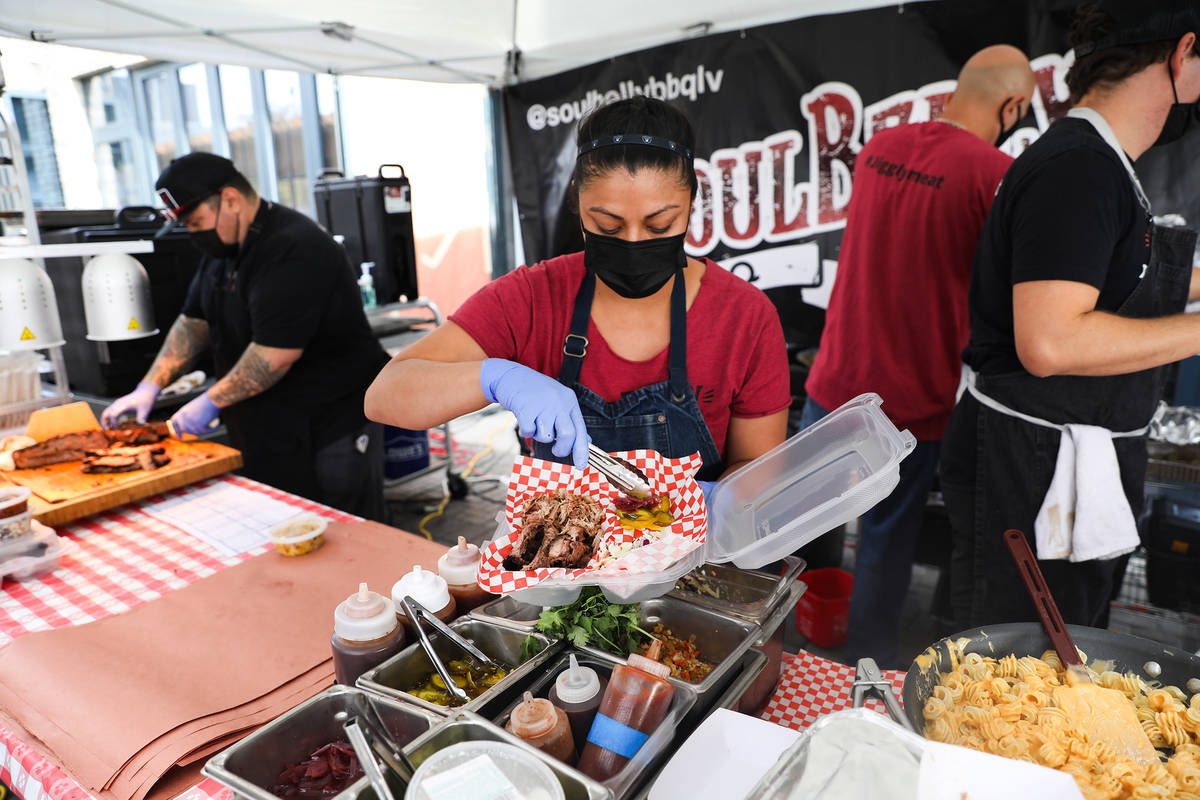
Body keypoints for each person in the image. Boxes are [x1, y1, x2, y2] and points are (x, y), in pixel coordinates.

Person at [365, 97, 790, 490]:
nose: (634, 242)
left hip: (700, 561)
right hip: (565, 563)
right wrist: (495, 378)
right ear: (578, 204)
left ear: (692, 205)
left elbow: (759, 466)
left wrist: (710, 506)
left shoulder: (745, 317)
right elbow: (385, 396)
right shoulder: (531, 298)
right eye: (607, 225)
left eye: (660, 225)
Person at [940, 0, 1200, 630]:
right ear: (1181, 53)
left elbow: (1115, 281)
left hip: (1066, 462)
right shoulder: (1078, 170)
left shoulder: (1103, 165)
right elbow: (1050, 342)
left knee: (1061, 671)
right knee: (1007, 679)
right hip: (1028, 472)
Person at [801, 46, 1036, 667]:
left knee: (797, 525)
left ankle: (779, 650)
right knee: (882, 545)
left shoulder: (881, 148)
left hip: (833, 379)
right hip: (913, 399)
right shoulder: (994, 174)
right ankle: (866, 678)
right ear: (1013, 107)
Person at [102, 152, 390, 520]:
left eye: (195, 222)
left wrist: (210, 401)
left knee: (347, 534)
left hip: (329, 426)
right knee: (286, 531)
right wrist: (150, 386)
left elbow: (274, 355)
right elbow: (194, 322)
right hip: (269, 429)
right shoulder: (224, 247)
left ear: (231, 200)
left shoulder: (293, 247)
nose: (193, 234)